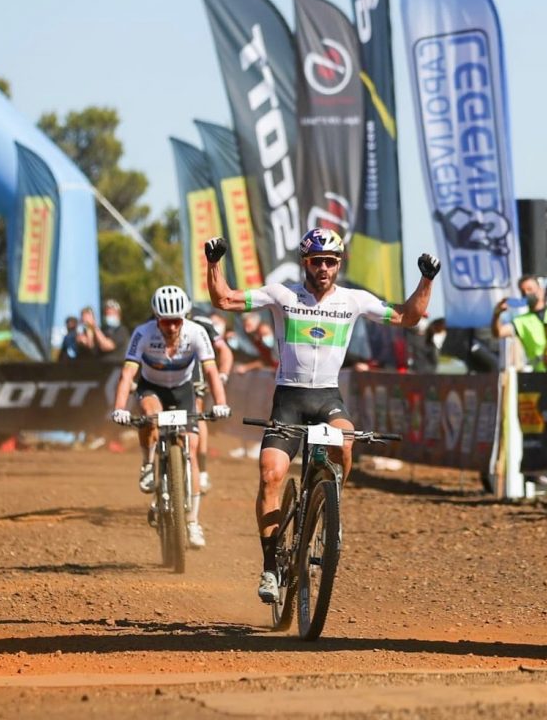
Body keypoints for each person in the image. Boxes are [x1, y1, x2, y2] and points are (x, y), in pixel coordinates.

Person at [204, 228, 440, 604]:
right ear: (306, 263)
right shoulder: (283, 294)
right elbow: (225, 300)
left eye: (331, 261)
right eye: (318, 261)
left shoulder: (353, 300)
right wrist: (214, 263)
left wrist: (426, 280)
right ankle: (270, 567)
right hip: (289, 399)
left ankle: (330, 510)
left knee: (345, 443)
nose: (325, 267)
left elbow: (408, 317)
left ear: (339, 264)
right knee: (270, 475)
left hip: (327, 397)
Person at [110, 285, 231, 549]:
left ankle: (192, 522)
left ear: (185, 317)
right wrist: (120, 407)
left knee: (194, 445)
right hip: (152, 387)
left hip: (182, 390)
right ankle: (147, 465)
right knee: (150, 415)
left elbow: (211, 371)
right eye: (166, 321)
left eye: (177, 321)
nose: (172, 327)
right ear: (156, 318)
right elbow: (128, 373)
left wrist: (221, 403)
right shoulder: (142, 333)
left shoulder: (197, 332)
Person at [190, 307, 234, 493]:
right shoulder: (154, 322)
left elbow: (224, 351)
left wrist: (222, 375)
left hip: (195, 378)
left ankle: (202, 469)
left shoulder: (202, 322)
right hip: (165, 378)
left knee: (197, 415)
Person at [491, 275, 547, 371]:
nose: (526, 293)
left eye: (530, 289)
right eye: (523, 291)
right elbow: (499, 332)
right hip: (540, 373)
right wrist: (497, 314)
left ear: (540, 290)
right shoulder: (521, 321)